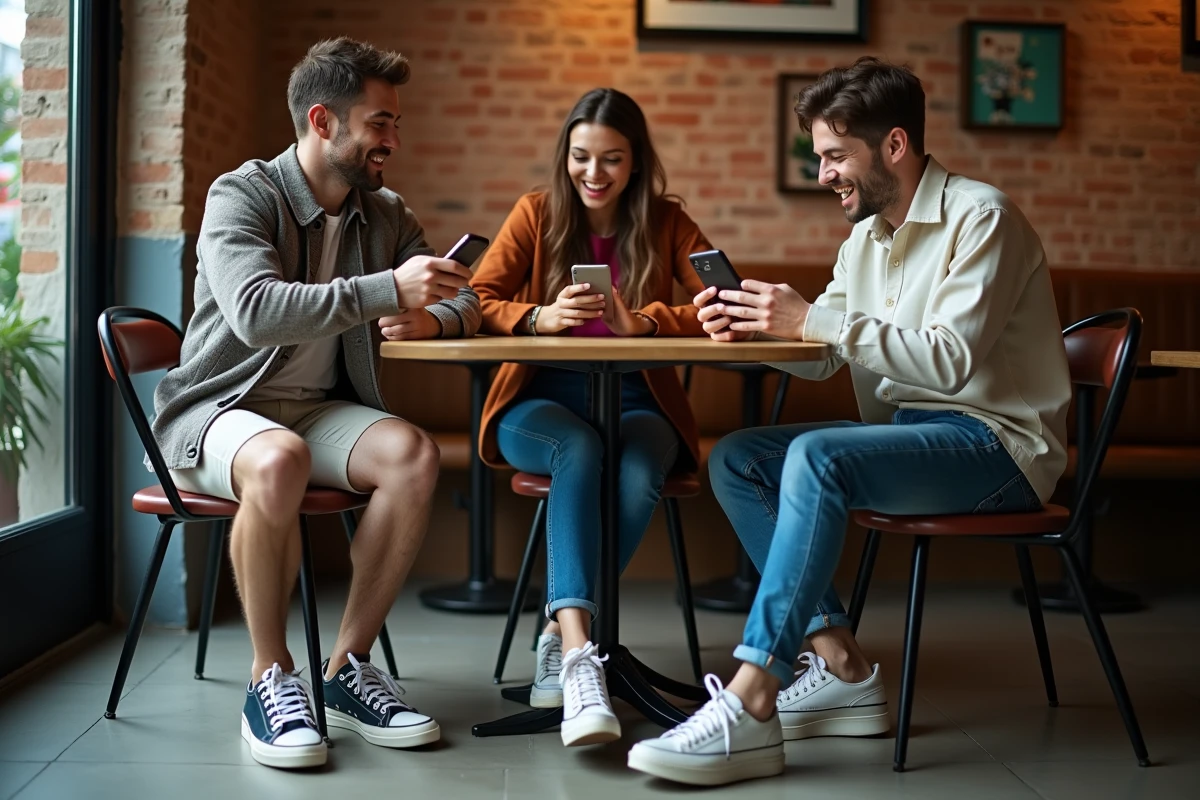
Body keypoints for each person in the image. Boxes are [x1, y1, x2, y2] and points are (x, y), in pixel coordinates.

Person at [627, 57, 1072, 787]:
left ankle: (752, 698)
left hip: (997, 448)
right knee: (739, 457)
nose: (824, 173)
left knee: (819, 456)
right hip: (910, 436)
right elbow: (826, 352)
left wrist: (811, 319)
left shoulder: (982, 218)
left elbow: (949, 360)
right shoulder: (865, 241)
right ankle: (841, 665)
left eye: (835, 155)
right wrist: (758, 329)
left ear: (893, 145)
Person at [150, 38, 481, 770]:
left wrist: (432, 318)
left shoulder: (384, 214)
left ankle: (347, 670)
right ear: (323, 121)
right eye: (379, 123)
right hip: (219, 408)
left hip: (317, 409)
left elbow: (465, 298)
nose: (393, 140)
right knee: (280, 461)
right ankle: (269, 679)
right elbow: (256, 311)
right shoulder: (242, 195)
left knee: (412, 455)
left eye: (395, 124)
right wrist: (388, 291)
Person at [470, 88, 710, 747]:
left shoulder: (667, 221)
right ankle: (580, 650)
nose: (594, 173)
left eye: (612, 159)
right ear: (565, 156)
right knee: (578, 447)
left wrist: (649, 323)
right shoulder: (536, 212)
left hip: (638, 400)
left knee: (637, 470)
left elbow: (724, 302)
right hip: (538, 401)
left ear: (636, 162)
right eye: (581, 157)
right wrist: (536, 317)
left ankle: (557, 628)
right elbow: (476, 298)